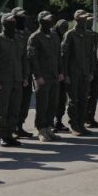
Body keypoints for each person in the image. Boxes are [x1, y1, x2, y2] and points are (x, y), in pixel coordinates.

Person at [0, 12, 29, 146]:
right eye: (10, 21)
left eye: (14, 21)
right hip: (4, 80)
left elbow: (24, 60)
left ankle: (10, 134)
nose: (13, 23)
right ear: (4, 23)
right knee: (2, 109)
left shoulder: (19, 39)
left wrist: (26, 76)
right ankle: (2, 135)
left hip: (18, 79)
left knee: (15, 108)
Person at [28, 10, 64, 141]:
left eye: (51, 19)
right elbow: (33, 58)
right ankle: (41, 129)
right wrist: (37, 76)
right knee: (42, 104)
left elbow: (58, 56)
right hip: (42, 77)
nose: (50, 22)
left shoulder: (54, 36)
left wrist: (60, 72)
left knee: (53, 103)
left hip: (54, 75)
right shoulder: (35, 37)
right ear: (41, 21)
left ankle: (49, 127)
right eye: (47, 20)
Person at [62, 10, 95, 135]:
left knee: (83, 99)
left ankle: (81, 124)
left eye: (85, 18)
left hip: (85, 72)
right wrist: (65, 74)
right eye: (82, 18)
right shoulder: (70, 35)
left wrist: (91, 71)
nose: (84, 21)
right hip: (73, 73)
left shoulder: (88, 35)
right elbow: (64, 56)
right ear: (76, 19)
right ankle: (74, 125)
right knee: (73, 100)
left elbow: (91, 54)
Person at [12, 7, 35, 139]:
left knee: (25, 102)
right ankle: (11, 128)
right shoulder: (9, 33)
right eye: (19, 17)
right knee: (14, 103)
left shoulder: (28, 34)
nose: (22, 19)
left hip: (27, 73)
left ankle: (19, 126)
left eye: (23, 16)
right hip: (13, 74)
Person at [52, 18, 70, 133]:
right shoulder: (52, 37)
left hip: (63, 72)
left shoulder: (67, 36)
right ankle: (50, 123)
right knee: (53, 100)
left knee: (62, 99)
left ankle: (58, 121)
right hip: (53, 73)